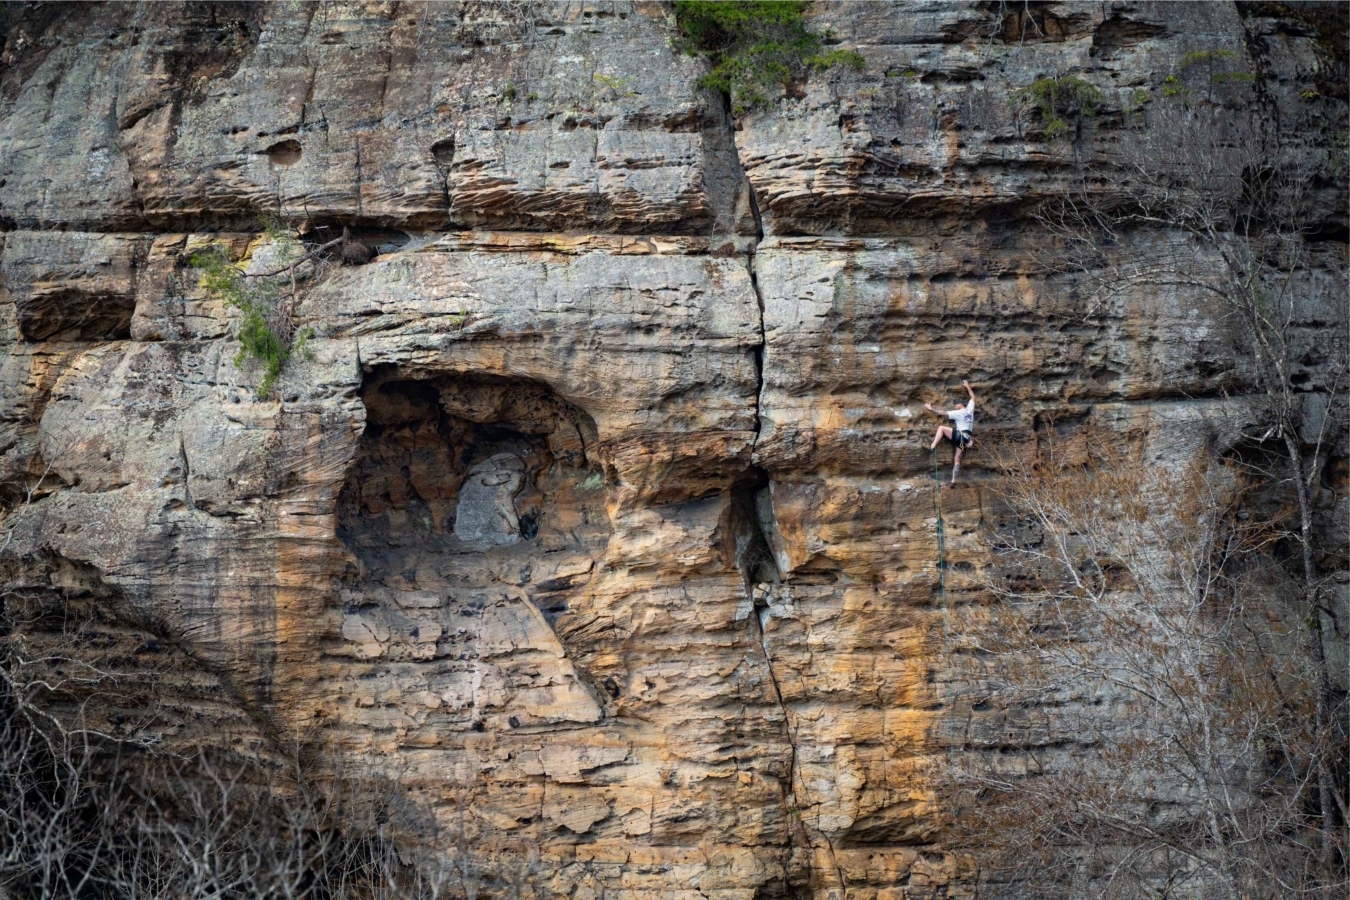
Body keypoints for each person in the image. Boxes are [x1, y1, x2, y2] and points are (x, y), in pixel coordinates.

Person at [925, 380, 976, 486]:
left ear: (960, 405)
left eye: (955, 406)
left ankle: (932, 446)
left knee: (941, 428)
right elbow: (973, 397)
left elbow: (943, 413)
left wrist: (931, 409)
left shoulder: (958, 412)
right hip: (965, 439)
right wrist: (967, 386)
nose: (955, 407)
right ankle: (953, 481)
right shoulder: (970, 409)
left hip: (960, 436)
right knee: (957, 459)